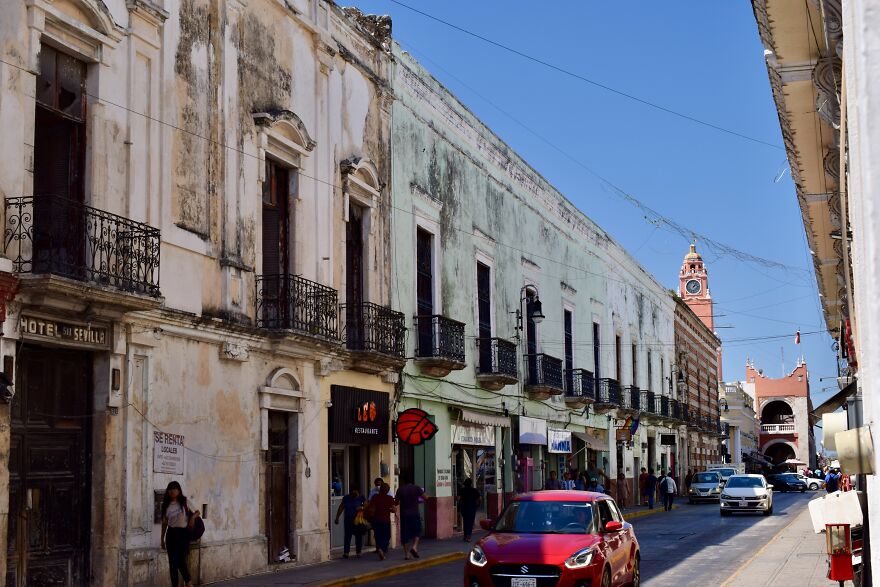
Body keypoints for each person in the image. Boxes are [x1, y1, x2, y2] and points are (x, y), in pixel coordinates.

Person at [161, 481, 200, 587]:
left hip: (183, 534)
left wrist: (192, 517)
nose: (172, 491)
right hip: (171, 534)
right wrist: (162, 539)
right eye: (170, 489)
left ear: (179, 490)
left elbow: (197, 512)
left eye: (175, 488)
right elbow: (164, 524)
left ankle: (189, 583)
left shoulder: (184, 501)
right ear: (168, 491)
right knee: (172, 564)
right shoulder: (166, 505)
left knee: (180, 560)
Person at [395, 479, 427, 560]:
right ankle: (414, 547)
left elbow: (396, 502)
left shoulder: (400, 489)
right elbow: (425, 497)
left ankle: (407, 554)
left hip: (404, 515)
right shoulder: (417, 488)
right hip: (415, 513)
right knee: (417, 531)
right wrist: (418, 500)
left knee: (405, 534)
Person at [335, 484, 366, 558]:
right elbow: (341, 507)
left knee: (358, 536)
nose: (353, 492)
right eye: (352, 490)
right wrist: (337, 518)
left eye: (354, 490)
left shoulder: (361, 498)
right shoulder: (346, 498)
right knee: (347, 536)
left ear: (357, 491)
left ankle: (359, 552)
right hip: (348, 519)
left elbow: (366, 506)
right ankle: (346, 552)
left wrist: (361, 507)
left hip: (358, 520)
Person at [368, 483, 395, 560]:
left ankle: (379, 548)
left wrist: (371, 517)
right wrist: (389, 509)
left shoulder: (375, 497)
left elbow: (371, 509)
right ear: (388, 490)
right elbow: (394, 509)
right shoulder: (389, 498)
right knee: (387, 535)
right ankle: (382, 549)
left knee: (378, 535)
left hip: (376, 520)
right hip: (385, 520)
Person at [458, 478, 482, 542]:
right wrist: (478, 505)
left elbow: (459, 499)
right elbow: (480, 499)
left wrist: (459, 507)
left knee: (465, 522)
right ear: (471, 484)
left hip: (464, 508)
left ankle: (465, 536)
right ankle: (468, 536)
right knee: (470, 522)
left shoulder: (462, 490)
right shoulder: (474, 490)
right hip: (472, 508)